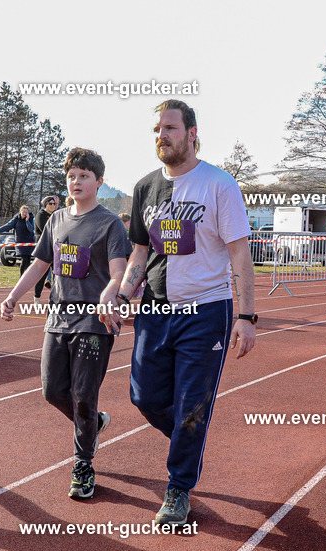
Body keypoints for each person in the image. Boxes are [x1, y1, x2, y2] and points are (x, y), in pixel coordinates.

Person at [100, 100, 257, 527]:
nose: (161, 136)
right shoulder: (145, 187)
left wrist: (247, 315)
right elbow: (139, 252)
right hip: (154, 308)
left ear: (191, 133)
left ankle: (178, 488)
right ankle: (191, 438)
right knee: (144, 396)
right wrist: (121, 292)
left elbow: (239, 252)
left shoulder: (219, 184)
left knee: (192, 403)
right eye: (156, 130)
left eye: (169, 128)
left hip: (206, 311)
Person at [0, 148, 129, 499]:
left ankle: (83, 463)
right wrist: (13, 295)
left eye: (84, 176)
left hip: (94, 321)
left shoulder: (110, 223)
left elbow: (120, 271)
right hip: (58, 318)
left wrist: (111, 292)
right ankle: (94, 424)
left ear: (99, 182)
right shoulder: (55, 222)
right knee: (52, 391)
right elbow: (40, 265)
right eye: (72, 176)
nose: (76, 182)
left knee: (84, 396)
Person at [0, 206, 36, 277]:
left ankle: (27, 277)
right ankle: (21, 276)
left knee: (28, 260)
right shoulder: (16, 220)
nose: (25, 214)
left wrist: (27, 221)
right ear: (20, 212)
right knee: (24, 259)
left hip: (29, 242)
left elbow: (31, 229)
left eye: (26, 212)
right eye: (24, 212)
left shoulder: (31, 219)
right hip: (20, 242)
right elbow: (7, 226)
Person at [33, 195, 59, 303]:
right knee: (42, 274)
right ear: (46, 205)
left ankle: (56, 297)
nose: (53, 205)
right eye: (50, 203)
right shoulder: (41, 215)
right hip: (44, 248)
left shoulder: (56, 215)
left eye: (54, 204)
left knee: (57, 273)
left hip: (55, 248)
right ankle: (37, 297)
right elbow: (46, 230)